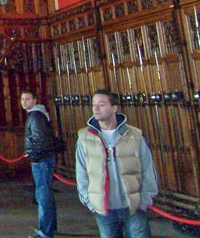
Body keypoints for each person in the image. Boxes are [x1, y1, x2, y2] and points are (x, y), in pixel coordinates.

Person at [76, 89, 158, 238]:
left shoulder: (135, 135)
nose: (96, 108)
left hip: (133, 207)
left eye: (101, 104)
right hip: (103, 209)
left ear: (114, 108)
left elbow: (147, 168)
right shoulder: (84, 138)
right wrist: (89, 201)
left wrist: (145, 199)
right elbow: (81, 172)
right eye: (94, 104)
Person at [21, 90, 57, 238]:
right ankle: (50, 227)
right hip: (44, 159)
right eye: (22, 99)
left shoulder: (35, 116)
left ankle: (45, 232)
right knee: (46, 194)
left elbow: (40, 140)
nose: (24, 102)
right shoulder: (36, 115)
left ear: (35, 100)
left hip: (41, 161)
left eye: (27, 99)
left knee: (42, 195)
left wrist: (34, 156)